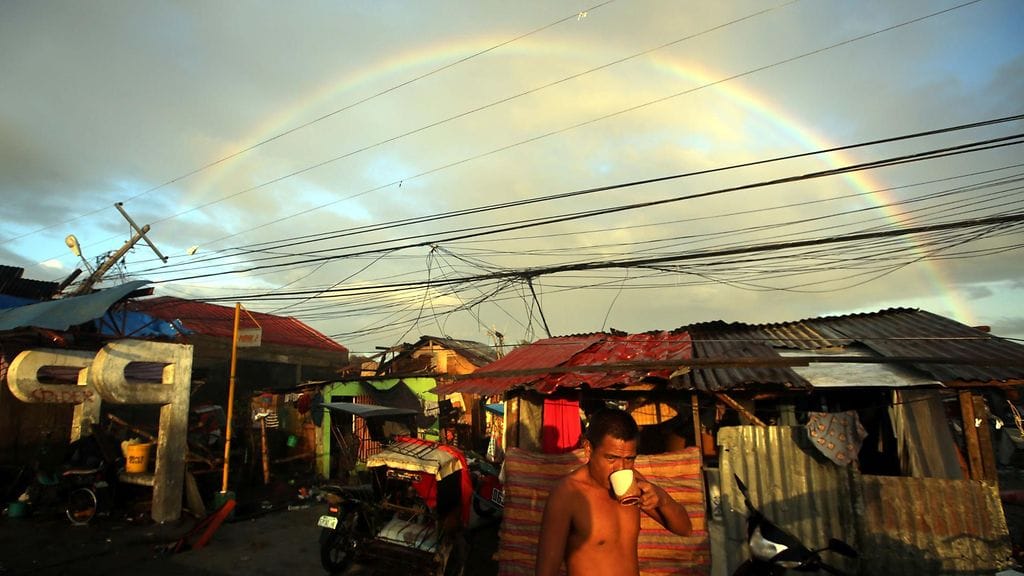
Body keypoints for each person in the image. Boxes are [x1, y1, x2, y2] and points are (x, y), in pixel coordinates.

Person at [535, 407, 692, 576]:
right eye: (611, 458)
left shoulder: (633, 482)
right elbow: (546, 570)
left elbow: (685, 529)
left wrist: (664, 500)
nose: (621, 468)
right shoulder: (567, 494)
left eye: (629, 459)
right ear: (588, 449)